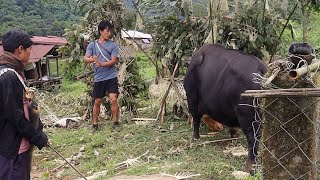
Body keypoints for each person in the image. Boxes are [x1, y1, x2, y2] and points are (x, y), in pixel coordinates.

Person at [0, 30, 48, 179]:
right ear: (20, 49)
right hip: (12, 150)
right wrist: (37, 137)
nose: (30, 54)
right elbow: (16, 116)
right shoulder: (9, 76)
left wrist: (38, 131)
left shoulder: (11, 72)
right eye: (29, 50)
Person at [84, 20, 120, 134]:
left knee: (113, 99)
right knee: (98, 101)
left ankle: (116, 122)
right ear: (101, 31)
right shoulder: (92, 45)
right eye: (107, 31)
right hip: (99, 78)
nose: (109, 33)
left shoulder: (113, 45)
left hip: (111, 76)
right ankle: (95, 124)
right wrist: (92, 59)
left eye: (110, 31)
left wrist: (101, 64)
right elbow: (86, 59)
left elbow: (113, 60)